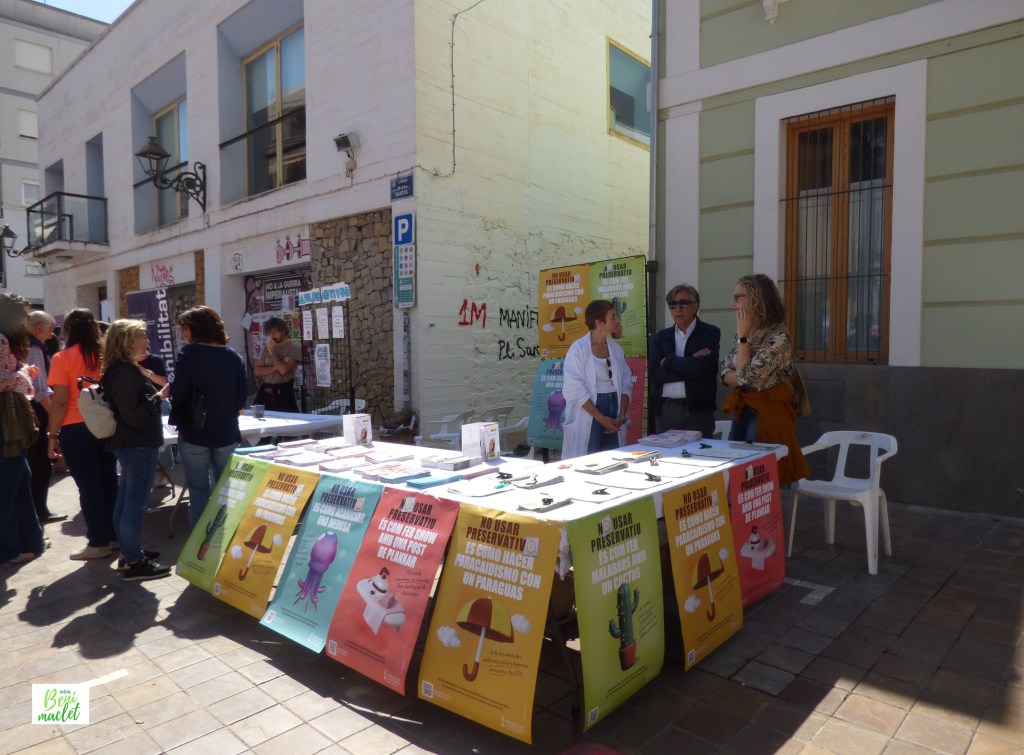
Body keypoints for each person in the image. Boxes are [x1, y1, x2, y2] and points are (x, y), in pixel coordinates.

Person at [720, 274, 809, 486]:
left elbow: (746, 377)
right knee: (737, 473)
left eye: (738, 297)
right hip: (743, 408)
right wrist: (742, 376)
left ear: (756, 299)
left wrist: (743, 341)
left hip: (768, 411)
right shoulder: (744, 334)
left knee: (759, 478)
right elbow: (724, 372)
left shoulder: (778, 337)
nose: (732, 304)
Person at [102, 319, 172, 581]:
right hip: (137, 443)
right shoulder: (124, 371)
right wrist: (160, 396)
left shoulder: (123, 369)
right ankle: (133, 560)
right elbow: (135, 415)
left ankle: (129, 553)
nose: (147, 340)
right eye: (141, 335)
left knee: (126, 501)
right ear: (127, 340)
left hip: (133, 443)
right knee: (134, 503)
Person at [48, 308, 119, 560]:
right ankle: (114, 537)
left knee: (89, 487)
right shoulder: (106, 354)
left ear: (68, 330)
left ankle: (98, 542)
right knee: (109, 481)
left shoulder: (62, 358)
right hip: (106, 425)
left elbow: (60, 401)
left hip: (75, 427)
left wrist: (52, 436)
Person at [170, 306, 248, 527]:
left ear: (196, 328)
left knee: (198, 491)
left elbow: (179, 394)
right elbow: (241, 399)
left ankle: (200, 542)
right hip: (226, 431)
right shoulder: (234, 357)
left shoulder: (189, 354)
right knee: (226, 491)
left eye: (185, 329)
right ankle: (222, 538)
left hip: (195, 433)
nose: (184, 335)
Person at [0, 293, 47, 566]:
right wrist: (25, 374)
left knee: (20, 481)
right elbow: (2, 379)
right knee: (8, 487)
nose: (25, 320)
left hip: (10, 419)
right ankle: (8, 550)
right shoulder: (2, 339)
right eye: (22, 314)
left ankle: (32, 541)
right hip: (6, 421)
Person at [560, 299, 633, 459]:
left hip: (614, 411)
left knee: (613, 459)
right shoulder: (578, 349)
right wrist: (600, 418)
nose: (617, 320)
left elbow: (626, 382)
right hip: (590, 411)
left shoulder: (616, 349)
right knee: (589, 459)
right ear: (599, 323)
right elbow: (574, 389)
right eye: (613, 317)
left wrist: (622, 415)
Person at [648, 284, 721, 438]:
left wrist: (668, 361)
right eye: (672, 305)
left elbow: (700, 370)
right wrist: (690, 362)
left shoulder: (710, 333)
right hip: (666, 410)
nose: (677, 309)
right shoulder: (662, 337)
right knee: (666, 454)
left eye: (683, 304)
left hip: (697, 411)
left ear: (695, 306)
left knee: (699, 453)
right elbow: (655, 374)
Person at [26, 310, 66, 524]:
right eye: (50, 330)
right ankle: (39, 512)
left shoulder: (20, 344)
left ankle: (36, 512)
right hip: (36, 416)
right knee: (40, 465)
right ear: (38, 328)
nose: (52, 336)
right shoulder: (33, 348)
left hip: (26, 415)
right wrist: (56, 416)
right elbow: (40, 390)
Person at [136, 339, 172, 487]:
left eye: (145, 338)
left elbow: (165, 383)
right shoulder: (126, 363)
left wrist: (145, 372)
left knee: (163, 408)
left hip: (158, 401)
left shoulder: (154, 360)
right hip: (137, 405)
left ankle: (162, 469)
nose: (146, 341)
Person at [252, 317, 301, 412]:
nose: (272, 336)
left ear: (283, 331)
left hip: (283, 391)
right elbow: (256, 371)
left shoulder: (294, 348)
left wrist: (273, 352)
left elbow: (283, 370)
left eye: (274, 332)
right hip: (266, 391)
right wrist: (275, 367)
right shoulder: (268, 348)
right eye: (269, 333)